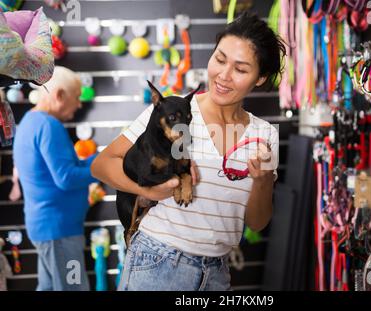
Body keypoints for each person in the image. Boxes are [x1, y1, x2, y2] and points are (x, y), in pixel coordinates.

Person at [91, 12, 286, 291]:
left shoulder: (264, 135)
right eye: (219, 59)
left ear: (259, 78)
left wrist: (263, 181)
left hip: (217, 274)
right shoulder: (175, 112)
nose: (224, 75)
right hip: (156, 263)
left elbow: (257, 223)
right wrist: (147, 191)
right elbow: (101, 165)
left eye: (241, 69)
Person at [13, 66, 97, 291]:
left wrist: (98, 160)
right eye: (77, 98)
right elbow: (67, 178)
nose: (79, 105)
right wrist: (102, 169)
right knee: (74, 287)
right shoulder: (49, 126)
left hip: (48, 229)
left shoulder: (30, 123)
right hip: (59, 232)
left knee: (49, 287)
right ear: (59, 95)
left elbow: (66, 169)